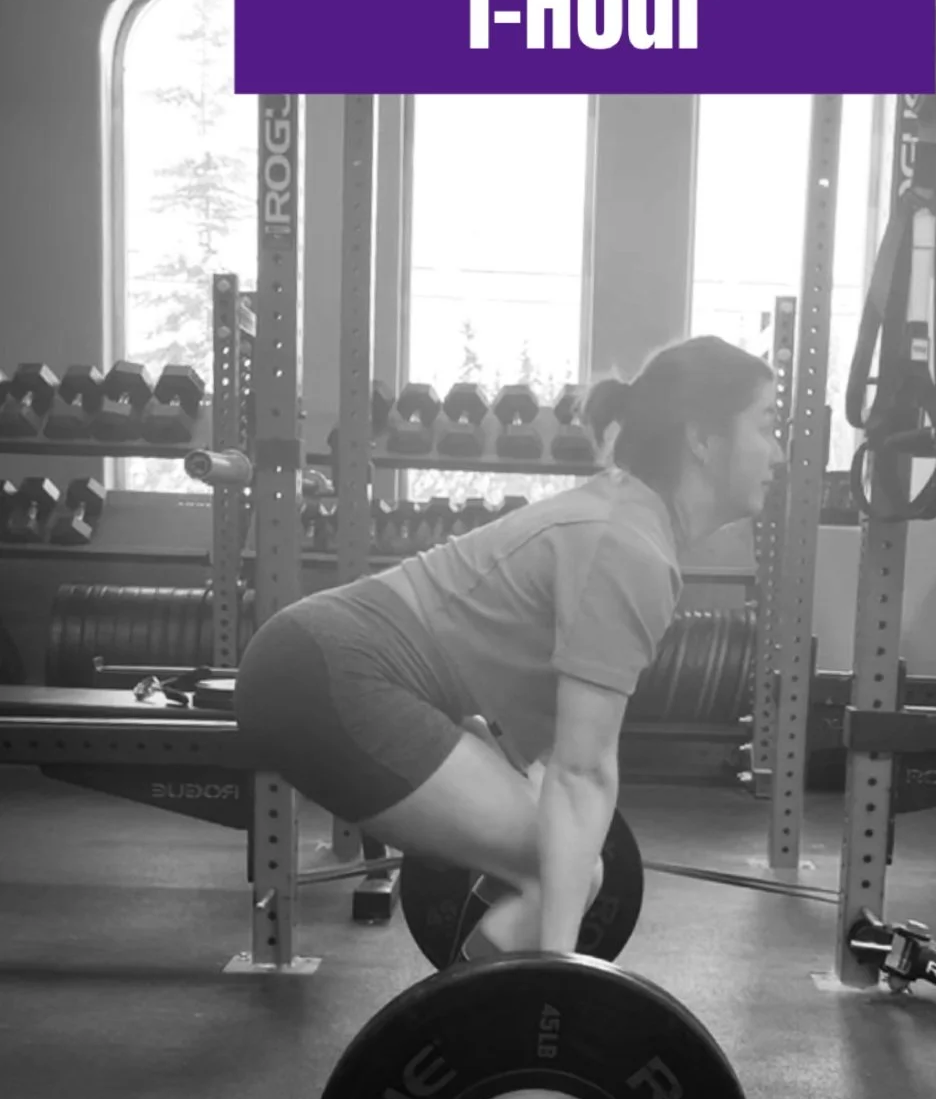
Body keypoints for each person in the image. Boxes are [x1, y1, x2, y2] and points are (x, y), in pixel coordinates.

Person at [234, 336, 782, 958]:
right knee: (565, 872)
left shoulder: (628, 519)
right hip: (333, 675)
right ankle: (486, 1013)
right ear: (702, 439)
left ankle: (482, 1002)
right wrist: (560, 967)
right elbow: (583, 774)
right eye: (766, 426)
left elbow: (549, 755)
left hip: (318, 661)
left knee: (558, 856)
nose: (778, 453)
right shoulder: (628, 546)